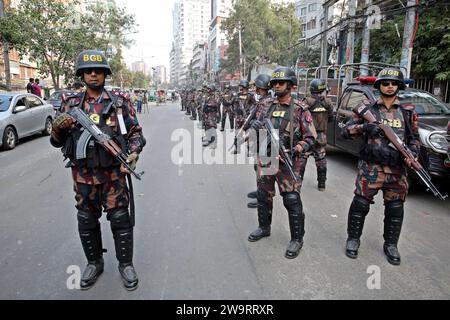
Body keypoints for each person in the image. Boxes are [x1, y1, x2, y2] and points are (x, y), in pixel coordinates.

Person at [50, 50, 145, 290]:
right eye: (88, 71)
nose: (93, 74)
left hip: (114, 175)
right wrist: (59, 128)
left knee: (121, 219)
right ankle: (94, 262)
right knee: (86, 219)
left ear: (105, 74)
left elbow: (136, 134)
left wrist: (133, 152)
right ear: (81, 74)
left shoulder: (119, 101)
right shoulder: (70, 103)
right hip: (83, 176)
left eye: (98, 70)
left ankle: (125, 264)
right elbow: (56, 142)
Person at [341, 67, 420, 266]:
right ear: (379, 86)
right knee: (360, 204)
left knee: (395, 208)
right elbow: (345, 131)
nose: (390, 86)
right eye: (385, 83)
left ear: (399, 86)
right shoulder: (368, 108)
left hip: (396, 171)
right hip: (370, 168)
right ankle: (353, 239)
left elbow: (414, 140)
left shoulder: (407, 112)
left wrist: (413, 156)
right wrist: (363, 127)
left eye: (394, 83)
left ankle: (391, 244)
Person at [247, 67, 317, 259]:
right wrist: (255, 128)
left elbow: (311, 138)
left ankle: (297, 239)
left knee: (291, 200)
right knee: (263, 195)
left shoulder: (300, 109)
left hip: (288, 163)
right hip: (267, 158)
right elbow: (257, 128)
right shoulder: (267, 106)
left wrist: (297, 149)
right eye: (274, 83)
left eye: (281, 83)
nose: (276, 86)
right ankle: (264, 227)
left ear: (291, 85)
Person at [245, 74, 273, 209]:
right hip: (259, 139)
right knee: (258, 167)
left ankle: (263, 196)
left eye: (256, 86)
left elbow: (262, 121)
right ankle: (259, 191)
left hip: (264, 140)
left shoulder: (267, 102)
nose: (254, 88)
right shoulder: (263, 100)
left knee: (263, 170)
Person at [300, 79, 333, 191]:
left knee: (302, 159)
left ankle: (298, 183)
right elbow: (331, 117)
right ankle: (322, 185)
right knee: (321, 160)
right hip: (321, 136)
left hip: (307, 136)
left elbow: (299, 117)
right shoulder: (328, 102)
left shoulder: (306, 101)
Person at [202, 83, 221, 148]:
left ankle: (215, 143)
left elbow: (217, 102)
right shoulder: (207, 96)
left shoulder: (215, 95)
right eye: (207, 89)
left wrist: (209, 105)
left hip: (212, 114)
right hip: (207, 114)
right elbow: (204, 102)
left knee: (212, 128)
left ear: (212, 89)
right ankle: (208, 140)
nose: (207, 90)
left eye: (209, 89)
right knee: (207, 128)